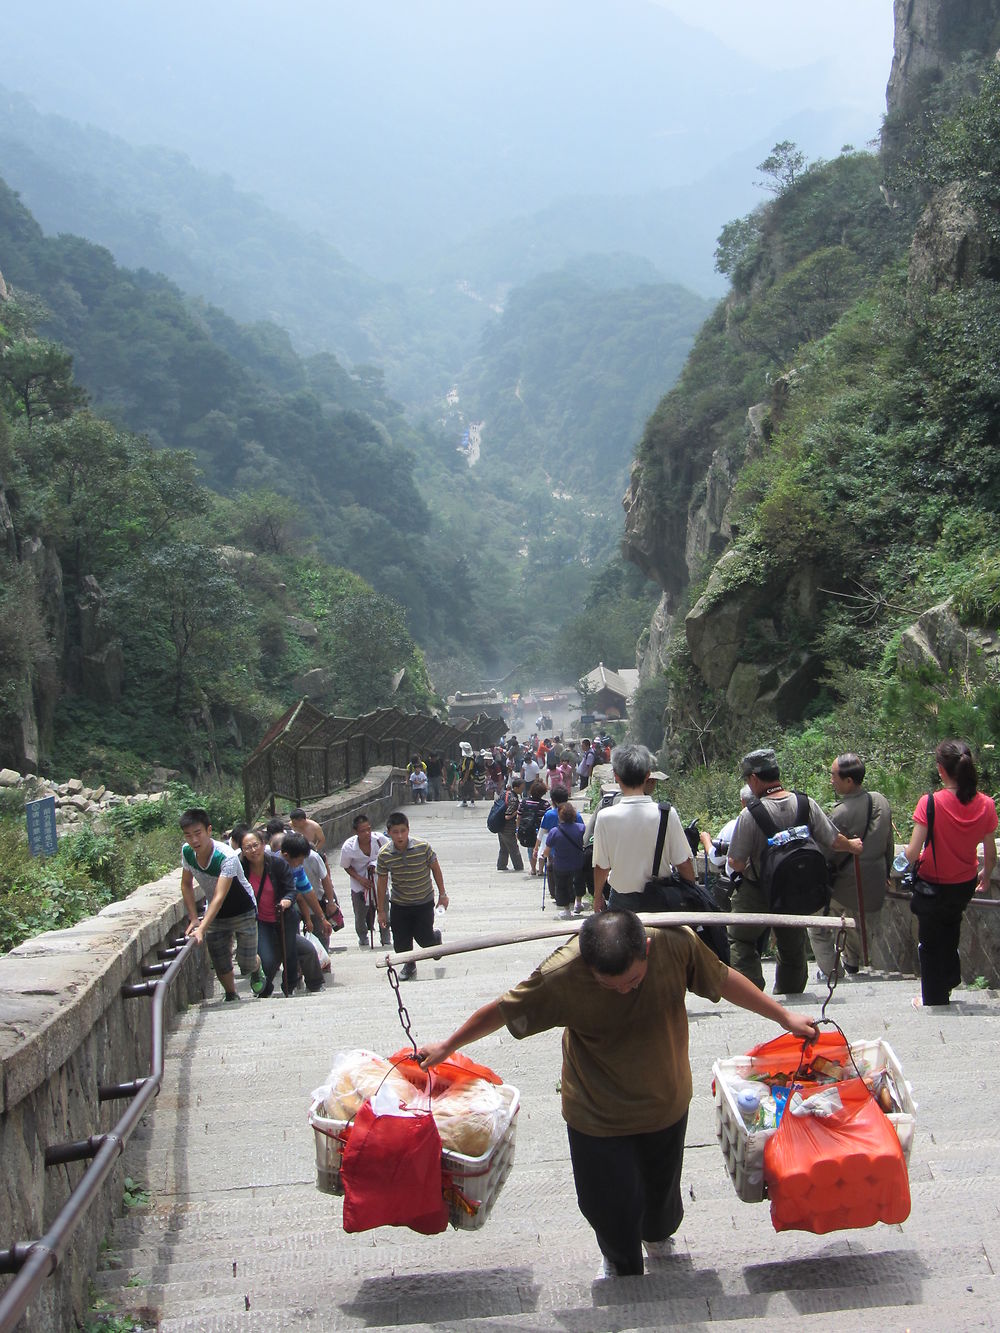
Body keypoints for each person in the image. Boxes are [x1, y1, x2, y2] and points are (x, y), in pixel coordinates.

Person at [416, 910, 818, 1278]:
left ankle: (658, 1237)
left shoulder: (673, 942)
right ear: (588, 967)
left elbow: (722, 977)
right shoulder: (563, 973)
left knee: (661, 1201)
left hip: (665, 1099)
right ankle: (620, 1261)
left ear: (645, 948)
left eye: (633, 981)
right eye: (612, 985)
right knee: (607, 1206)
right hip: (597, 1113)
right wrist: (447, 1046)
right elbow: (502, 1010)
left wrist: (784, 1015)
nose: (625, 990)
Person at [727, 748, 862, 994]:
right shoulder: (805, 803)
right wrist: (852, 845)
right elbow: (833, 840)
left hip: (757, 891)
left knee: (741, 938)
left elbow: (736, 861)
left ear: (755, 779)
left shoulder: (750, 815)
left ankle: (751, 992)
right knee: (791, 942)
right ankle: (791, 991)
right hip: (794, 889)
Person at [902, 738, 998, 1007]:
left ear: (941, 770)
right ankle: (949, 978)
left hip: (932, 884)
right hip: (964, 883)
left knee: (930, 941)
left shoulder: (930, 803)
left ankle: (935, 998)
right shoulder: (986, 805)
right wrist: (986, 874)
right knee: (951, 925)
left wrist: (905, 861)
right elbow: (990, 853)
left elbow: (911, 852)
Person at [807, 754, 892, 982]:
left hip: (847, 884)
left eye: (834, 776)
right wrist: (887, 872)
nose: (831, 780)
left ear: (849, 781)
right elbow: (889, 843)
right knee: (855, 919)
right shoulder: (880, 801)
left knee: (816, 924)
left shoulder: (840, 813)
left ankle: (831, 971)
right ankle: (852, 962)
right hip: (875, 883)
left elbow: (827, 853)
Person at [591, 744, 694, 915]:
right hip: (660, 899)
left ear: (616, 777)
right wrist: (692, 896)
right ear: (648, 775)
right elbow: (683, 862)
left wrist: (597, 896)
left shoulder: (605, 817)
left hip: (621, 902)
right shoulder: (666, 813)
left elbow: (602, 866)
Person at [181, 808, 263, 1001]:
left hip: (242, 909)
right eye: (188, 835)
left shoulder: (226, 856)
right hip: (216, 914)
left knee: (246, 963)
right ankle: (231, 994)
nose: (193, 840)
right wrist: (194, 918)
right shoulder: (187, 852)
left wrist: (201, 928)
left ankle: (257, 968)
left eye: (198, 833)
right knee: (219, 957)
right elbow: (186, 884)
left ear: (209, 830)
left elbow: (219, 896)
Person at [376, 811, 449, 980]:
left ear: (408, 830)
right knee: (401, 942)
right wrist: (381, 910)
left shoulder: (423, 847)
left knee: (424, 940)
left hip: (423, 901)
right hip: (399, 903)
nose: (400, 836)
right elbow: (381, 882)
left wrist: (442, 894)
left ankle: (434, 938)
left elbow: (435, 869)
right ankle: (409, 966)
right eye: (395, 832)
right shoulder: (384, 854)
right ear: (389, 832)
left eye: (403, 831)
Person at [236, 828, 301, 997]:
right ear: (242, 850)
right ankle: (265, 988)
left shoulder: (278, 864)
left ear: (263, 844)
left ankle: (290, 987)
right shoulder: (239, 867)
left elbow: (291, 890)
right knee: (267, 959)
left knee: (290, 953)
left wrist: (286, 900)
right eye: (247, 847)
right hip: (260, 920)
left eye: (255, 845)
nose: (252, 850)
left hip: (283, 916)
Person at [340, 811, 390, 948]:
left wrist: (377, 866)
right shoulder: (349, 847)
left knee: (383, 909)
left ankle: (385, 937)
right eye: (362, 831)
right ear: (355, 832)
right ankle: (363, 937)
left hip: (379, 881)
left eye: (368, 829)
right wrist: (360, 879)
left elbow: (389, 856)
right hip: (359, 885)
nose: (367, 833)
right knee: (360, 914)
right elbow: (346, 866)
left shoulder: (380, 840)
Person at [540, 800, 587, 918]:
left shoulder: (555, 831)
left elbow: (547, 850)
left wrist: (543, 856)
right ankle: (578, 903)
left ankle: (566, 910)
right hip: (578, 862)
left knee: (562, 886)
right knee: (578, 883)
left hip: (561, 864)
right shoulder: (581, 828)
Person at [497, 776, 525, 872]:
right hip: (508, 828)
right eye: (521, 788)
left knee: (504, 848)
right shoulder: (513, 799)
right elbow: (508, 816)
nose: (522, 790)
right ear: (516, 788)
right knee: (513, 848)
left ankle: (501, 865)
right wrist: (518, 811)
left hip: (500, 826)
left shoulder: (505, 794)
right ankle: (518, 866)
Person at [457, 742, 476, 807]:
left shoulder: (470, 760)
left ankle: (472, 802)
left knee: (470, 790)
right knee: (463, 790)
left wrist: (464, 780)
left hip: (469, 778)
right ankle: (464, 802)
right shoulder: (465, 758)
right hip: (464, 777)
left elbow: (467, 771)